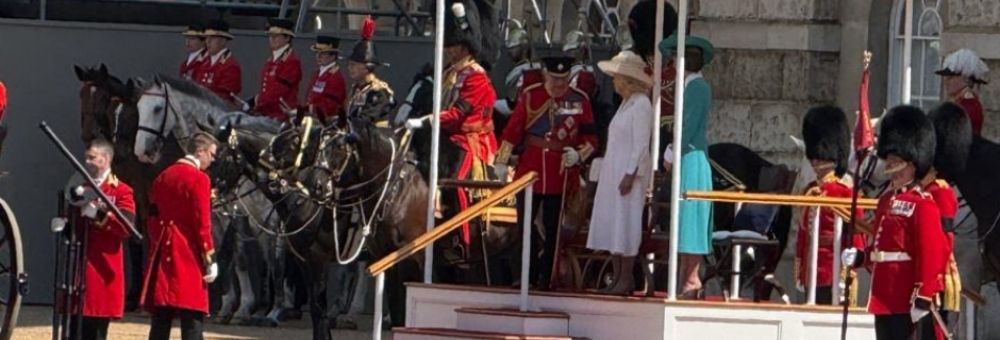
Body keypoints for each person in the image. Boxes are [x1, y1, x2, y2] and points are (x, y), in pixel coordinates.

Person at [842, 106, 951, 340]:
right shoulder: (885, 201)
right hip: (883, 294)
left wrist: (924, 294)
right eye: (889, 161)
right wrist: (861, 257)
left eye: (897, 162)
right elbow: (881, 248)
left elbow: (931, 253)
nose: (891, 169)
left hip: (906, 295)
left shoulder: (923, 204)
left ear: (913, 164)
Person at [495, 56, 597, 289]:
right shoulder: (531, 95)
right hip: (530, 169)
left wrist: (579, 154)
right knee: (525, 226)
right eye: (554, 78)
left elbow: (592, 139)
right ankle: (526, 275)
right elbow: (512, 131)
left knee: (553, 229)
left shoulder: (579, 99)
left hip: (560, 171)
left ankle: (547, 277)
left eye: (564, 79)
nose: (559, 84)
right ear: (544, 75)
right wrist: (501, 161)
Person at [406, 0, 500, 245]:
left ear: (465, 46)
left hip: (470, 141)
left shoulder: (476, 77)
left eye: (452, 45)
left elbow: (459, 114)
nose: (447, 49)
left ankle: (463, 237)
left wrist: (428, 120)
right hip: (449, 137)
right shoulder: (450, 73)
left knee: (456, 182)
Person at [586, 50, 651, 295]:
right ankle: (616, 278)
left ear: (627, 80)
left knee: (626, 222)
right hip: (613, 169)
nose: (613, 82)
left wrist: (630, 173)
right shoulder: (626, 104)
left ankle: (626, 278)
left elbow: (641, 144)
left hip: (628, 173)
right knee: (613, 222)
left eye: (617, 78)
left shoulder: (642, 104)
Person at [142, 132, 218, 340]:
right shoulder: (200, 179)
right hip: (188, 252)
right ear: (200, 151)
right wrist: (209, 258)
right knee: (192, 317)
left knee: (161, 317)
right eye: (211, 154)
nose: (212, 160)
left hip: (163, 249)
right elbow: (202, 224)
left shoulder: (162, 177)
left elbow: (152, 217)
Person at [658, 33, 714, 299]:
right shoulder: (690, 86)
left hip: (691, 158)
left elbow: (687, 126)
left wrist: (671, 152)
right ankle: (685, 277)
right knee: (683, 219)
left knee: (692, 219)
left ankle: (691, 279)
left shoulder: (697, 87)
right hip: (687, 157)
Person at [70, 139, 136, 340]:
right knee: (75, 330)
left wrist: (98, 215)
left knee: (97, 330)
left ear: (105, 159)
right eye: (86, 157)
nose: (87, 161)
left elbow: (126, 227)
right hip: (81, 268)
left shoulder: (121, 190)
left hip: (103, 269)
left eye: (92, 157)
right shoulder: (80, 188)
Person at [794, 105, 858, 304]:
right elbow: (803, 234)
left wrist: (848, 270)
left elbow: (855, 234)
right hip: (811, 267)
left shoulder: (845, 191)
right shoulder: (810, 190)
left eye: (819, 156)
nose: (814, 161)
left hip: (834, 268)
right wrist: (801, 268)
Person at [924, 102, 973, 337]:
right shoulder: (926, 188)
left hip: (936, 276)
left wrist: (930, 277)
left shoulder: (940, 191)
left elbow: (943, 239)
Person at [344, 16, 395, 125]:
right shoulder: (356, 89)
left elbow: (367, 118)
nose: (349, 68)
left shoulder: (379, 91)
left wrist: (348, 122)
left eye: (353, 65)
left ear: (367, 67)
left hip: (374, 135)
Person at [253, 18, 302, 121]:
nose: (272, 39)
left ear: (287, 38)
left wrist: (260, 104)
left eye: (276, 36)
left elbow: (279, 92)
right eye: (270, 35)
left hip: (280, 115)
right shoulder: (272, 59)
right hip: (267, 113)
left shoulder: (291, 61)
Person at [936, 49, 988, 137]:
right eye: (946, 77)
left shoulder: (968, 105)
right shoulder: (960, 101)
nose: (946, 81)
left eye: (951, 77)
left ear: (966, 79)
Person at [197, 20, 241, 108]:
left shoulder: (230, 66)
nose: (208, 41)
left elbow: (224, 98)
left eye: (213, 38)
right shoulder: (205, 63)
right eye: (206, 37)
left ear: (223, 41)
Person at [306, 35, 347, 125]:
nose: (318, 56)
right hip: (313, 119)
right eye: (317, 53)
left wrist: (310, 109)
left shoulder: (335, 77)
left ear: (333, 56)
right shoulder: (317, 73)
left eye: (322, 53)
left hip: (326, 123)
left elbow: (331, 106)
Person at [562, 30, 597, 99]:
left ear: (582, 51)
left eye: (573, 50)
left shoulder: (585, 73)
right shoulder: (565, 69)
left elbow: (582, 96)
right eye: (568, 51)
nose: (569, 53)